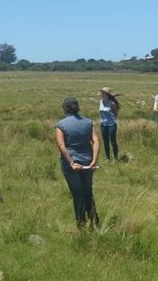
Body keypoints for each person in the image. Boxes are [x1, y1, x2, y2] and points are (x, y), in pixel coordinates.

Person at [55, 97, 100, 228]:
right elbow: (96, 141)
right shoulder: (88, 122)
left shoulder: (61, 125)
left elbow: (61, 145)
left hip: (71, 164)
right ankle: (94, 220)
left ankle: (81, 223)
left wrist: (71, 162)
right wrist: (94, 160)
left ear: (65, 108)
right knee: (88, 191)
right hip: (87, 162)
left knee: (77, 193)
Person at [99, 87, 120, 161]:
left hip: (111, 124)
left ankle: (115, 157)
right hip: (103, 124)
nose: (102, 94)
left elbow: (115, 113)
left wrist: (110, 118)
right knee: (105, 141)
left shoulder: (112, 103)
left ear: (107, 94)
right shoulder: (101, 101)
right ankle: (107, 158)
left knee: (113, 141)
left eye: (103, 93)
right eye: (102, 93)